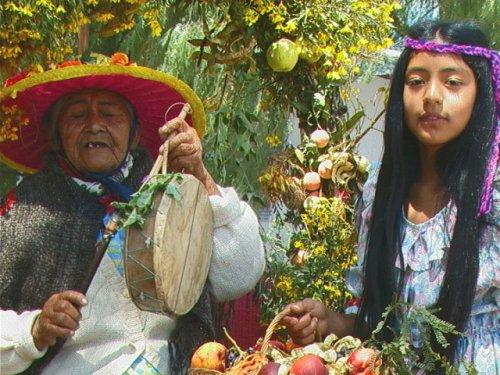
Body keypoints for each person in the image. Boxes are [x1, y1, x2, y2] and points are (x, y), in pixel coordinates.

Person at [0, 54, 266, 374]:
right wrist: (34, 330)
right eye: (77, 115)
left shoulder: (169, 192)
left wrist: (200, 176)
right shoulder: (27, 209)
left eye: (110, 114)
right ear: (57, 136)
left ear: (136, 134)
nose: (95, 125)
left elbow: (239, 275)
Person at [283, 21, 499, 374]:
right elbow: (382, 329)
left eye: (453, 82)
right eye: (416, 81)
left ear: (482, 93)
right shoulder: (380, 194)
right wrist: (327, 324)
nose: (431, 95)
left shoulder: (493, 197)